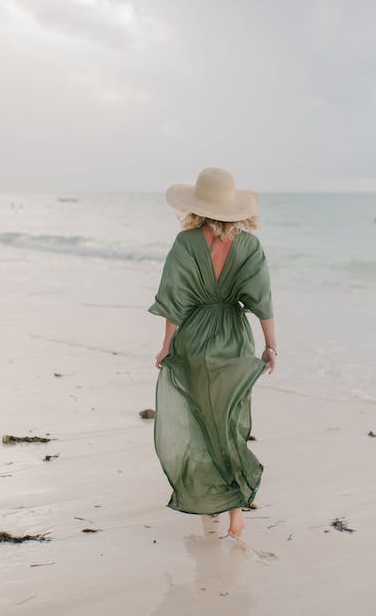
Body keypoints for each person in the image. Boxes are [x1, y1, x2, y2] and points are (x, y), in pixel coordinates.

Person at [149, 167, 277, 539]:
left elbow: (173, 299)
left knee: (203, 422)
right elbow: (262, 301)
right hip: (235, 340)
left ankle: (215, 501)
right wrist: (271, 346)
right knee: (230, 422)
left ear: (198, 206)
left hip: (194, 338)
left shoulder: (186, 242)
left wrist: (167, 344)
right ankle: (235, 510)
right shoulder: (250, 246)